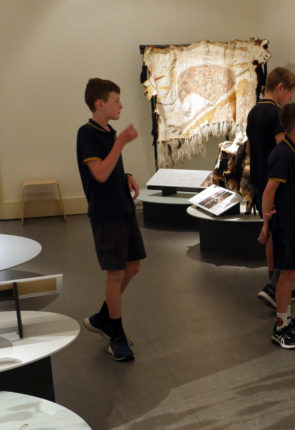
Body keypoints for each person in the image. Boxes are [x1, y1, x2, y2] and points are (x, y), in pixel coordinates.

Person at [77, 78, 146, 362]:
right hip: (106, 214)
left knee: (133, 267)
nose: (121, 105)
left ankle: (103, 318)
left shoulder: (108, 131)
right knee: (116, 272)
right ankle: (115, 335)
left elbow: (111, 169)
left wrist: (126, 174)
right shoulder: (87, 134)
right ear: (100, 104)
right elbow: (100, 173)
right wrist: (120, 143)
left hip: (123, 208)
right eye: (116, 101)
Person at [259, 103, 295, 349]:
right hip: (284, 225)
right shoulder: (283, 154)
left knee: (289, 273)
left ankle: (287, 318)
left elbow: (293, 192)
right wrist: (266, 222)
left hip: (293, 222)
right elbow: (270, 191)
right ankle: (280, 326)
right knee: (286, 274)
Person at [246, 67, 295, 308]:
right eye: (289, 93)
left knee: (271, 235)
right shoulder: (277, 115)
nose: (289, 98)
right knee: (286, 236)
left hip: (259, 180)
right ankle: (275, 286)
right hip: (276, 184)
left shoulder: (253, 112)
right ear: (280, 88)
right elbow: (284, 147)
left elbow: (249, 147)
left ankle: (275, 283)